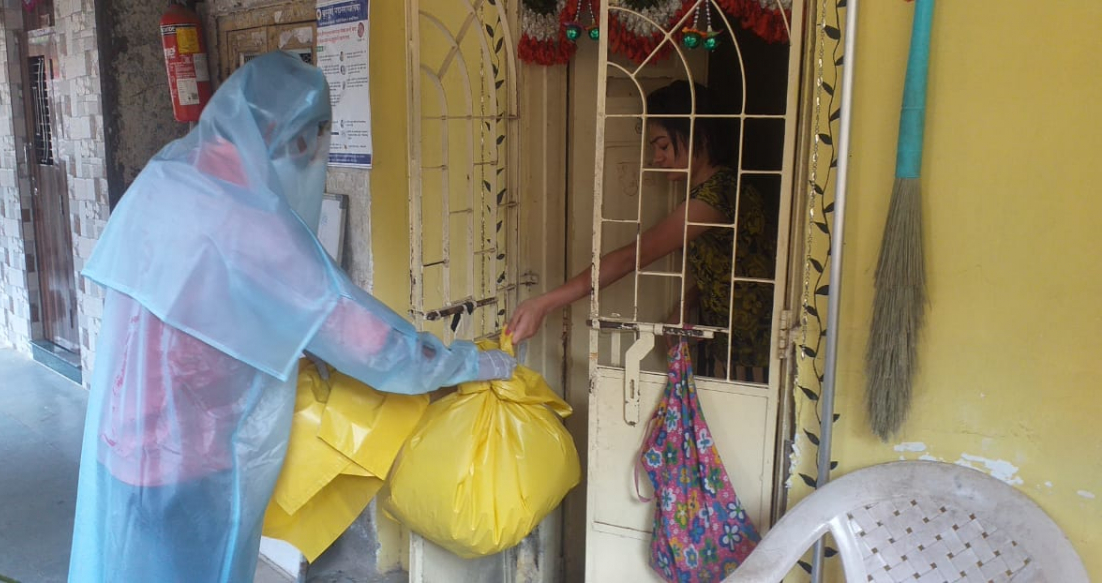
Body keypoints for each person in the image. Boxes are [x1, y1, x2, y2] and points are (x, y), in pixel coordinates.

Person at [67, 52, 516, 583]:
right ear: (286, 136)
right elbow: (375, 346)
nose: (309, 155)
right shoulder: (254, 225)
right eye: (310, 140)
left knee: (125, 564)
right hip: (188, 460)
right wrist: (479, 364)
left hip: (118, 441)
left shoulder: (167, 175)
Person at [507, 80, 776, 381]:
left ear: (699, 133)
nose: (656, 159)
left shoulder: (716, 197)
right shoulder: (718, 190)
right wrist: (687, 303)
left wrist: (543, 304)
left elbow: (630, 258)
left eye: (663, 145)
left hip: (751, 351)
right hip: (732, 344)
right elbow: (730, 262)